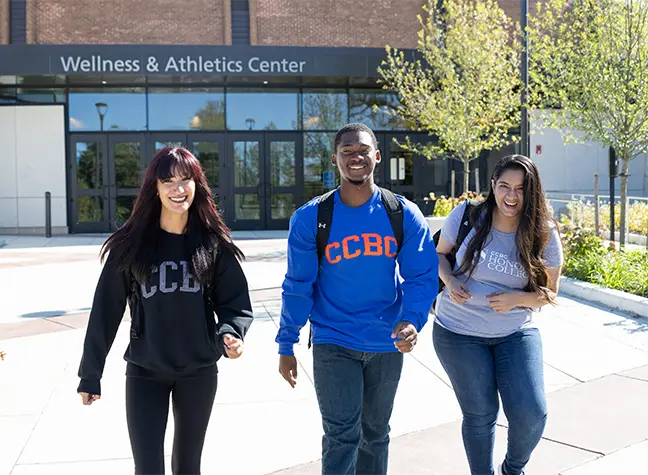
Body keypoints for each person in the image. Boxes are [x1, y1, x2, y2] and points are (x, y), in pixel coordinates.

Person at [76, 146, 253, 475]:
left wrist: (231, 333)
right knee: (148, 469)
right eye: (168, 180)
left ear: (197, 185)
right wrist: (91, 373)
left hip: (199, 370)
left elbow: (235, 303)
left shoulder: (212, 245)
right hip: (146, 371)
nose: (178, 189)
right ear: (154, 188)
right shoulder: (131, 245)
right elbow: (105, 310)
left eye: (186, 180)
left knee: (188, 467)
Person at [276, 123, 439, 475]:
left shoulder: (402, 213)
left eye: (362, 150)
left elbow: (421, 275)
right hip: (333, 341)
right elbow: (298, 285)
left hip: (386, 342)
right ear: (335, 159)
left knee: (376, 435)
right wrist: (287, 342)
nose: (355, 157)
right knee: (341, 437)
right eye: (346, 151)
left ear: (376, 157)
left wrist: (412, 319)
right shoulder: (312, 219)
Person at [433, 155, 563, 475]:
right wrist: (450, 281)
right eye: (504, 186)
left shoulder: (542, 232)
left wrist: (516, 298)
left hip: (514, 331)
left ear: (531, 191)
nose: (511, 196)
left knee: (532, 413)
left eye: (520, 189)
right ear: (493, 186)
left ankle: (512, 469)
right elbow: (439, 255)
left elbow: (549, 293)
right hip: (457, 331)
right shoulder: (466, 216)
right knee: (481, 412)